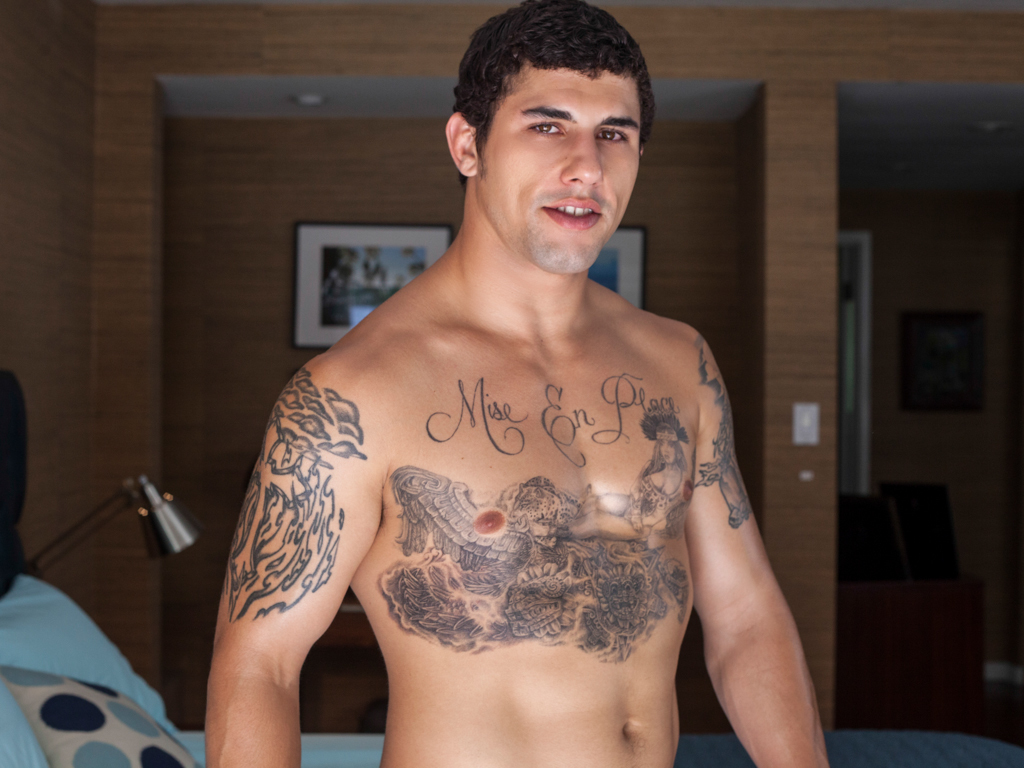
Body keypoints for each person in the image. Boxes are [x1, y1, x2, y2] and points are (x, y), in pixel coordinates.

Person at [205, 1, 830, 766]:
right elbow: (259, 667)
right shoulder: (354, 392)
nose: (587, 167)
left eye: (614, 134)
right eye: (548, 126)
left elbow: (746, 617)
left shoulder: (678, 361)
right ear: (467, 144)